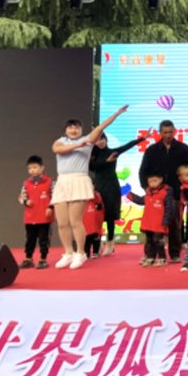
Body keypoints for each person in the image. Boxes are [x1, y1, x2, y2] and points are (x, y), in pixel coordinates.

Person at [51, 105, 128, 270]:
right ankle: (68, 253)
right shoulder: (61, 141)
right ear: (65, 130)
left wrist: (116, 114)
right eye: (70, 128)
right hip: (62, 181)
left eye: (76, 128)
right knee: (62, 222)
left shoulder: (88, 140)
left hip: (79, 180)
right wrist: (78, 145)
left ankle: (81, 253)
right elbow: (57, 149)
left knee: (75, 221)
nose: (73, 130)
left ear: (81, 130)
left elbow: (101, 127)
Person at [139, 120, 188, 264]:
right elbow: (143, 171)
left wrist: (183, 183)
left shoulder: (182, 149)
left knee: (174, 223)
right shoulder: (152, 150)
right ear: (160, 132)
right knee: (152, 225)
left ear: (174, 131)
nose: (168, 135)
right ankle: (150, 255)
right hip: (155, 194)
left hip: (174, 193)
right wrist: (146, 188)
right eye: (165, 132)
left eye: (170, 132)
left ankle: (175, 253)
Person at [89, 132, 146, 257]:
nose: (101, 142)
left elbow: (127, 146)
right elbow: (92, 168)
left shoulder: (112, 152)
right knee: (98, 216)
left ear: (106, 139)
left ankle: (110, 243)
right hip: (98, 187)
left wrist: (142, 138)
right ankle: (98, 244)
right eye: (98, 140)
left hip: (111, 187)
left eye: (102, 139)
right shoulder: (92, 155)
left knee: (110, 216)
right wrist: (106, 161)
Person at [127, 170, 174, 267]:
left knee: (158, 241)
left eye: (155, 181)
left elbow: (169, 208)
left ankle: (162, 258)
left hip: (159, 223)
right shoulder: (149, 193)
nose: (152, 183)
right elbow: (141, 201)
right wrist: (130, 195)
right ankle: (150, 257)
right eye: (150, 181)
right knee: (149, 241)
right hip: (148, 223)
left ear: (161, 180)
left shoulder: (165, 193)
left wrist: (166, 220)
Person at [18, 155, 53, 269]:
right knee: (30, 239)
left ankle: (43, 259)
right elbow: (21, 197)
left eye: (34, 167)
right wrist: (25, 201)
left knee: (44, 239)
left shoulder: (49, 182)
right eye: (29, 168)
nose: (32, 170)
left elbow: (55, 196)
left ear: (42, 168)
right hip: (30, 217)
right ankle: (28, 259)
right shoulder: (26, 183)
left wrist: (50, 207)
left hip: (44, 217)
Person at [82, 191, 104, 258]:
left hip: (94, 218)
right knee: (87, 236)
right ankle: (87, 252)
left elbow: (99, 203)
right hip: (85, 217)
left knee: (94, 235)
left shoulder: (95, 195)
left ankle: (94, 252)